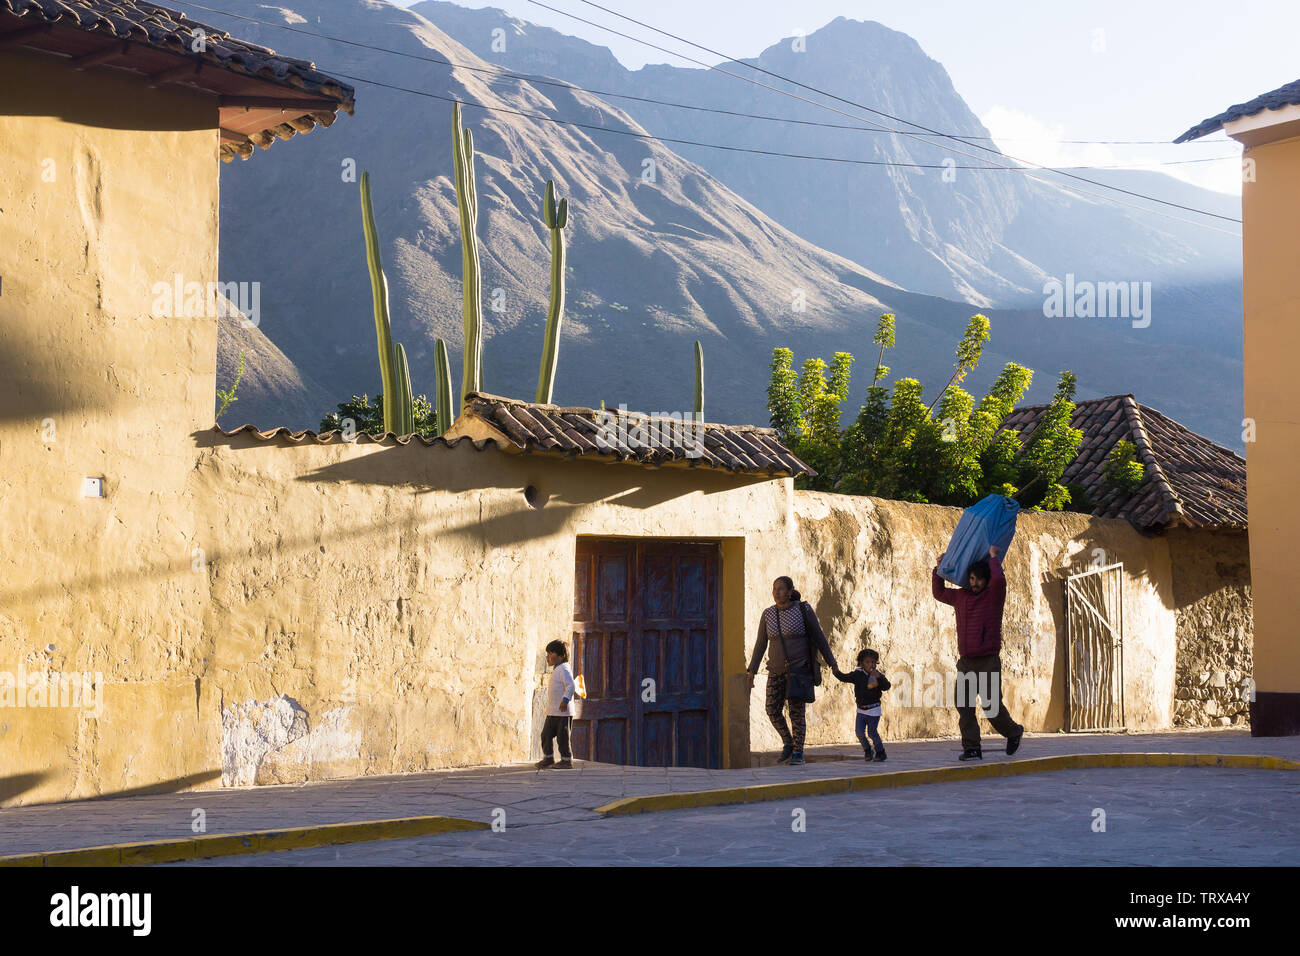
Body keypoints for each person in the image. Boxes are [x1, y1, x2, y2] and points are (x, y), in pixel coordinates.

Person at [932, 545, 1024, 761]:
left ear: (986, 580)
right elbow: (939, 593)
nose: (975, 583)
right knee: (964, 706)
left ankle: (1013, 732)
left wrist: (994, 558)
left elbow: (999, 581)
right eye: (972, 579)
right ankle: (972, 747)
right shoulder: (960, 597)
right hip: (965, 662)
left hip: (987, 660)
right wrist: (938, 568)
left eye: (979, 579)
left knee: (991, 707)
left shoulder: (993, 597)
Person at [746, 576, 839, 766]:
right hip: (776, 671)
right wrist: (752, 670)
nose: (777, 592)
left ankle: (798, 752)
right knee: (772, 709)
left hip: (799, 671)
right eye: (774, 589)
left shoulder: (802, 610)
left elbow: (819, 637)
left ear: (790, 591)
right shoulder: (768, 614)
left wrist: (832, 663)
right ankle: (788, 741)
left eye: (781, 589)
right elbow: (760, 644)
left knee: (796, 713)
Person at [832, 649, 891, 762]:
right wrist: (836, 672)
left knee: (872, 732)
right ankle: (868, 750)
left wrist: (879, 677)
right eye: (867, 662)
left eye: (873, 662)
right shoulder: (857, 674)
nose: (871, 665)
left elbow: (886, 686)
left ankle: (880, 752)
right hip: (861, 710)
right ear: (861, 663)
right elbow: (845, 678)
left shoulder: (877, 675)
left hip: (874, 709)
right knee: (859, 732)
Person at [536, 639, 576, 769]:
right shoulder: (557, 669)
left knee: (562, 737)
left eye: (550, 653)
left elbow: (571, 686)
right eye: (547, 653)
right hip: (553, 711)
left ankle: (566, 760)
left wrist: (565, 700)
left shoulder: (564, 669)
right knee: (545, 735)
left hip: (563, 713)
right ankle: (548, 758)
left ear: (561, 656)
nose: (547, 657)